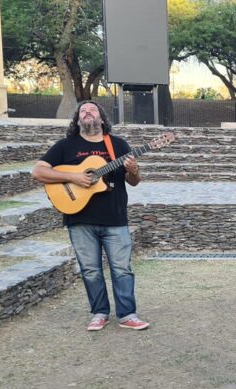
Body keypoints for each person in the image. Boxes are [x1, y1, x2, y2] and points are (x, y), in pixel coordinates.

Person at [31, 100, 150, 332]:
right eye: (82, 111)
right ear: (77, 120)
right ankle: (99, 312)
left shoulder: (117, 144)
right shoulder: (66, 146)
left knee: (122, 268)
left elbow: (134, 182)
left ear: (102, 118)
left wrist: (134, 170)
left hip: (115, 219)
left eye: (92, 109)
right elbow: (38, 171)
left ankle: (127, 314)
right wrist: (74, 178)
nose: (87, 113)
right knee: (90, 270)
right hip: (79, 219)